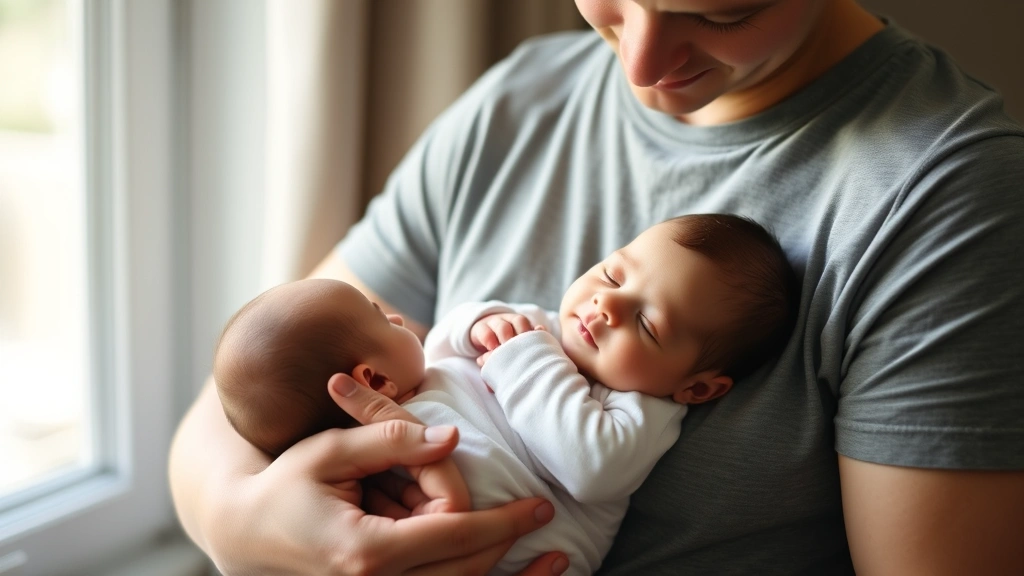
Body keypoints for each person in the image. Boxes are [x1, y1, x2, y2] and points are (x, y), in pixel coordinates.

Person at [169, 0, 1024, 574]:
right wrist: (244, 527)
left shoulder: (950, 198)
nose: (643, 59)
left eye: (721, 9)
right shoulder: (519, 101)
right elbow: (259, 376)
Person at [212, 214, 799, 575]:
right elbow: (440, 348)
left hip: (517, 554)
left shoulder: (645, 403)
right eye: (613, 276)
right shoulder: (536, 325)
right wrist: (476, 325)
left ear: (695, 386)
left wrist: (522, 355)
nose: (606, 306)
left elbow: (592, 467)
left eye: (647, 324)